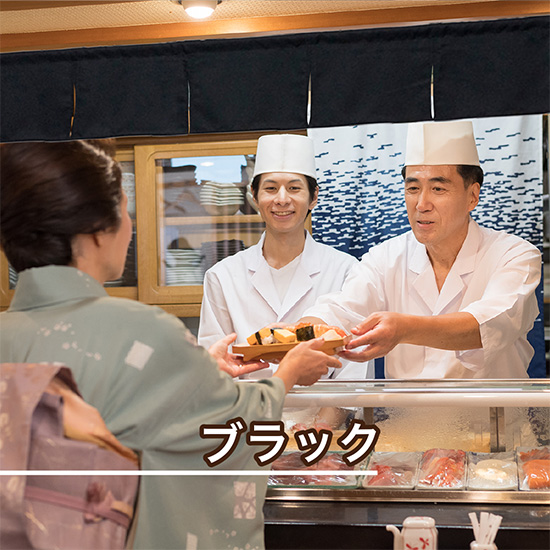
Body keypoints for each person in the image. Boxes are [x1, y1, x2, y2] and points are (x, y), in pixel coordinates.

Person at [0, 140, 341, 550]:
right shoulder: (144, 331)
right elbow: (222, 427)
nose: (131, 227)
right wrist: (284, 378)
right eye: (124, 212)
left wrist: (199, 370)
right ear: (94, 232)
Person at [300, 120, 541, 379]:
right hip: (405, 419)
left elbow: (490, 324)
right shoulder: (386, 257)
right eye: (413, 188)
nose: (422, 204)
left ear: (473, 196)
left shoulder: (515, 255)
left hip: (493, 418)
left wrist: (404, 328)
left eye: (438, 189)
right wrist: (295, 335)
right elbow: (342, 310)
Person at [199, 133, 372, 381]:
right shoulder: (222, 276)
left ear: (313, 197)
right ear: (254, 196)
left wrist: (322, 422)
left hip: (322, 414)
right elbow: (213, 369)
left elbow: (352, 371)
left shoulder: (346, 270)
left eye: (294, 188)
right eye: (270, 188)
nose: (282, 199)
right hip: (248, 415)